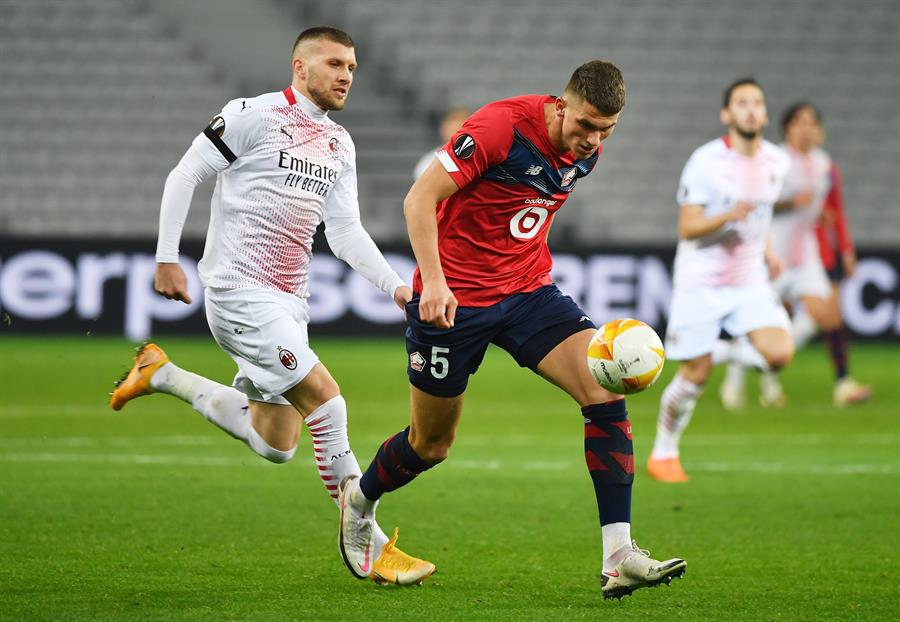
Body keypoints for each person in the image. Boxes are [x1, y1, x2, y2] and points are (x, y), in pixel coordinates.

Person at [336, 60, 686, 600]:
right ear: (561, 104)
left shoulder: (586, 153)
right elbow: (418, 200)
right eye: (586, 125)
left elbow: (524, 209)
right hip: (454, 303)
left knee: (602, 389)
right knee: (430, 445)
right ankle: (358, 501)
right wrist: (434, 281)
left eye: (606, 130)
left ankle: (619, 555)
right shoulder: (500, 128)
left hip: (527, 293)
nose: (593, 140)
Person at [108, 26, 435, 586]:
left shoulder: (339, 143)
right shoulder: (251, 115)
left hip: (289, 302)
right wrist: (167, 257)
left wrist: (396, 287)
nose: (345, 76)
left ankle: (163, 376)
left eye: (352, 68)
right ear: (299, 67)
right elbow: (185, 174)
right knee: (328, 404)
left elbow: (346, 230)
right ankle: (369, 542)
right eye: (334, 64)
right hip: (238, 291)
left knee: (275, 442)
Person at [646, 78, 795, 484]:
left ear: (764, 114)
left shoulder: (777, 162)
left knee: (780, 353)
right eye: (741, 103)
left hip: (749, 281)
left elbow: (759, 215)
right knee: (696, 372)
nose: (750, 109)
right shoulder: (706, 161)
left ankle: (723, 351)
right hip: (702, 281)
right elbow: (688, 227)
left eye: (757, 103)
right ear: (726, 115)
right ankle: (664, 452)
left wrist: (768, 251)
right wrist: (726, 216)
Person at [718, 102, 871, 409]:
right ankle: (737, 380)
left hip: (806, 254)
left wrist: (845, 247)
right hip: (771, 252)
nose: (807, 128)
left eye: (812, 122)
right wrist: (789, 203)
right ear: (787, 128)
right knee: (762, 322)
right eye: (800, 122)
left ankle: (842, 383)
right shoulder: (772, 160)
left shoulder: (824, 164)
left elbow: (834, 209)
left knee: (825, 314)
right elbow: (751, 202)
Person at [412, 107, 470, 180]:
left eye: (460, 129)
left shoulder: (478, 161)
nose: (456, 134)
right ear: (443, 129)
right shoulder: (429, 161)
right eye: (453, 129)